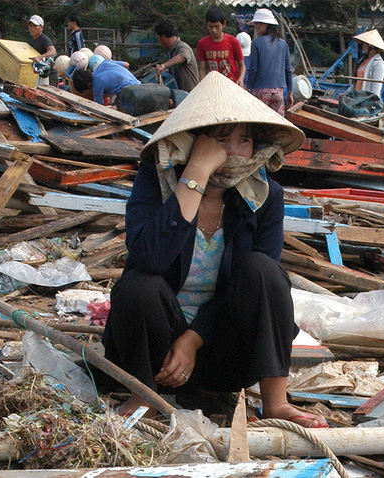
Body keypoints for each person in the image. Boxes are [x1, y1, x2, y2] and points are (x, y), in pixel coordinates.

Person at [102, 71, 328, 429]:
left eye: (243, 140)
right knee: (139, 285)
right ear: (193, 142)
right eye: (220, 140)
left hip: (224, 352)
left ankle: (276, 402)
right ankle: (142, 394)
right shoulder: (155, 180)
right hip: (155, 353)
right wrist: (196, 174)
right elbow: (149, 258)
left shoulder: (265, 196)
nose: (233, 152)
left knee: (264, 271)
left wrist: (194, 338)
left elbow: (260, 287)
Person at [246, 9, 293, 115]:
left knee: (259, 124)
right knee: (276, 124)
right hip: (279, 92)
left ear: (265, 25)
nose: (256, 27)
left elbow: (253, 69)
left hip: (260, 91)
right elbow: (288, 70)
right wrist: (290, 92)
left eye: (258, 24)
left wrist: (248, 87)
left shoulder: (256, 43)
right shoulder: (283, 44)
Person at [196, 6, 245, 86]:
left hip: (231, 84)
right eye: (211, 26)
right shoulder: (202, 43)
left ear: (223, 24)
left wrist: (241, 78)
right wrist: (202, 85)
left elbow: (241, 65)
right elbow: (202, 68)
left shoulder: (233, 41)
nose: (214, 30)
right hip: (213, 85)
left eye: (217, 26)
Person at [154, 18, 199, 92]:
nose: (158, 41)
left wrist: (163, 65)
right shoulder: (171, 51)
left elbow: (183, 57)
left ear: (164, 37)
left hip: (191, 95)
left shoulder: (182, 47)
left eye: (158, 38)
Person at [72, 58, 140, 105]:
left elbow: (98, 107)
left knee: (115, 112)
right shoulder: (105, 63)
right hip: (139, 84)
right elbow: (126, 64)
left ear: (89, 85)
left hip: (129, 92)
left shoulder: (96, 84)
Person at [351, 29, 384, 97]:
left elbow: (376, 88)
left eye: (364, 44)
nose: (362, 46)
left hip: (366, 100)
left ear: (371, 46)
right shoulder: (362, 61)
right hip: (356, 98)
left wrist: (371, 101)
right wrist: (346, 92)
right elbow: (357, 82)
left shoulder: (378, 63)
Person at [26, 15, 56, 86]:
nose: (32, 28)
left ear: (41, 28)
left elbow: (53, 51)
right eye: (30, 26)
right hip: (36, 75)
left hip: (47, 76)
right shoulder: (30, 39)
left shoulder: (44, 39)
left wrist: (40, 57)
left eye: (35, 26)